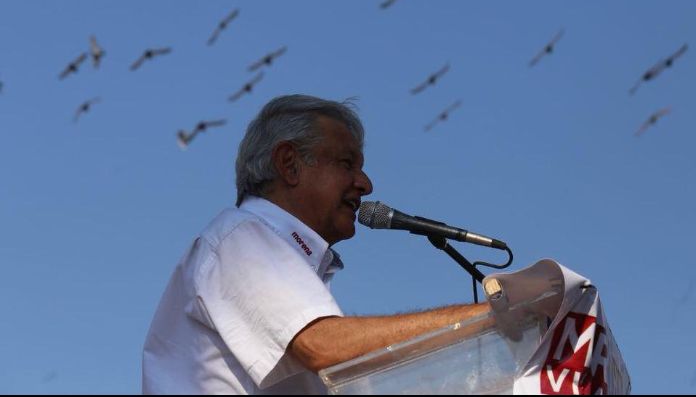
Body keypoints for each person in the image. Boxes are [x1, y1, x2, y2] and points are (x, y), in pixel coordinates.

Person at [142, 94, 489, 394]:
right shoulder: (241, 238)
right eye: (346, 163)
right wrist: (492, 316)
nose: (365, 184)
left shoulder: (268, 247)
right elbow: (324, 346)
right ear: (289, 164)